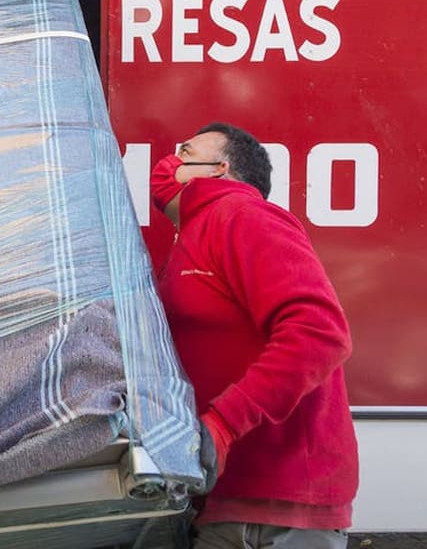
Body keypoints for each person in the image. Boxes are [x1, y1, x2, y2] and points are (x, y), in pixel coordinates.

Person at [149, 122, 359, 549]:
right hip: (224, 500)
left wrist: (224, 425)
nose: (170, 163)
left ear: (219, 169)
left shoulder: (245, 216)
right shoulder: (195, 233)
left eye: (185, 153)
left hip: (278, 509)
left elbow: (319, 332)